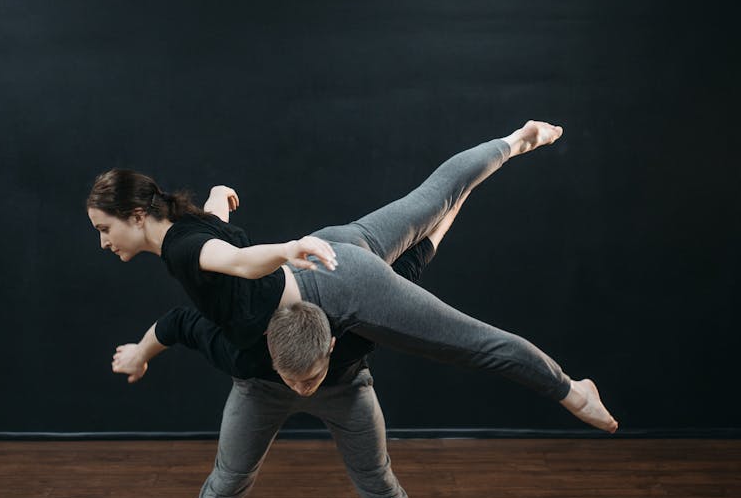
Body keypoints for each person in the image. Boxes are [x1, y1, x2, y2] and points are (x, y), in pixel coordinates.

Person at [88, 120, 617, 434]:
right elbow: (216, 246)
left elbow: (237, 263)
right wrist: (218, 197)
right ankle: (515, 140)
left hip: (334, 281)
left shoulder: (181, 249)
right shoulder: (187, 230)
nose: (104, 241)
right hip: (335, 245)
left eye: (104, 228)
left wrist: (286, 251)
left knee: (472, 342)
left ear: (136, 217)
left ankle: (571, 390)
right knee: (430, 199)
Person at [112, 201, 474, 498]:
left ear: (333, 343)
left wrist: (453, 199)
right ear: (269, 347)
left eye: (309, 379)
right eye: (296, 379)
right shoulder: (241, 346)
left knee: (382, 486)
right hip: (260, 389)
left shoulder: (355, 323)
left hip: (345, 387)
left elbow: (423, 246)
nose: (303, 391)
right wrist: (141, 354)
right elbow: (176, 323)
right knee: (222, 491)